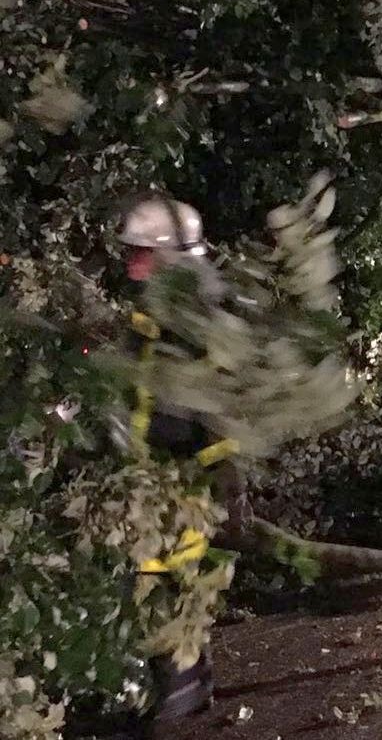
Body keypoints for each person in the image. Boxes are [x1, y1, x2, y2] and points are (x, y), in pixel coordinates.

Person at [113, 197, 231, 732]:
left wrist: (224, 477)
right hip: (141, 476)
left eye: (141, 254)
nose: (131, 264)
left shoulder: (196, 319)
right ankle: (178, 681)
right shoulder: (145, 309)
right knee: (146, 579)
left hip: (182, 479)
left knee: (166, 576)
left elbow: (220, 407)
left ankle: (183, 686)